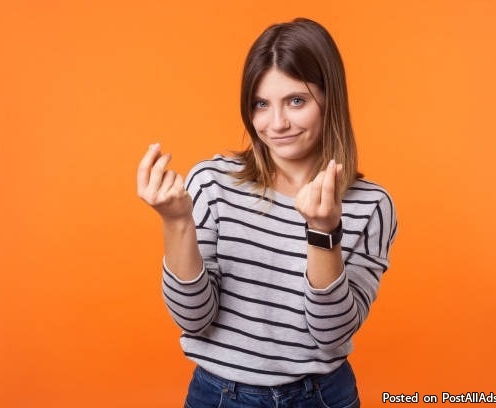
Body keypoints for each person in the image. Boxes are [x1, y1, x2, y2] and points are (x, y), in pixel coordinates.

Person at [137, 17, 397, 408]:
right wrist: (176, 223)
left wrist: (323, 232)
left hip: (321, 397)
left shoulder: (371, 205)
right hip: (219, 395)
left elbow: (330, 334)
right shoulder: (211, 183)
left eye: (296, 101)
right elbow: (193, 319)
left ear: (330, 99)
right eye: (261, 104)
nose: (277, 124)